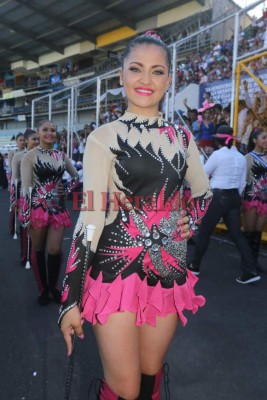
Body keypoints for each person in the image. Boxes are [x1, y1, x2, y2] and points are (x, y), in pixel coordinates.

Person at [59, 31, 212, 400]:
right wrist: (69, 299)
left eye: (157, 71)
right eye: (136, 69)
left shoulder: (182, 138)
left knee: (150, 375)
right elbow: (90, 217)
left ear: (169, 79)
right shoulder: (103, 137)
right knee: (124, 388)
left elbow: (205, 193)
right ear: (121, 77)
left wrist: (190, 217)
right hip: (115, 271)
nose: (146, 80)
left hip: (168, 268)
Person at [187, 125, 261, 285]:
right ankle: (251, 270)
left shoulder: (218, 155)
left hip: (218, 197)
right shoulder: (241, 156)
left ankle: (195, 265)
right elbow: (242, 183)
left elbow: (203, 174)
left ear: (218, 140)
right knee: (237, 235)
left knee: (205, 231)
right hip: (234, 197)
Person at [20, 120, 79, 306]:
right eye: (45, 130)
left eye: (53, 130)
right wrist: (25, 215)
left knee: (54, 249)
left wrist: (67, 189)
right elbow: (26, 188)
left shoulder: (61, 155)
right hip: (37, 209)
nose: (50, 133)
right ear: (38, 132)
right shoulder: (30, 156)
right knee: (38, 249)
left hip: (58, 209)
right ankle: (43, 289)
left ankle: (53, 287)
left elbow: (76, 177)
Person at [11, 129, 39, 266]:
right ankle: (25, 255)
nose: (37, 142)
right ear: (27, 141)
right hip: (24, 195)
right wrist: (14, 199)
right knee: (25, 226)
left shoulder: (42, 154)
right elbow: (14, 179)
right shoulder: (18, 156)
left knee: (39, 227)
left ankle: (35, 255)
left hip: (41, 196)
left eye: (38, 139)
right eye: (34, 139)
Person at [242, 128, 267, 271]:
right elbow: (243, 180)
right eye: (263, 137)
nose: (266, 140)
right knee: (249, 232)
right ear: (254, 140)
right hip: (251, 198)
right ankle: (247, 263)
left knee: (258, 232)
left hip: (264, 199)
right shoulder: (248, 157)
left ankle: (255, 262)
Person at [8, 133, 25, 235]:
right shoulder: (12, 153)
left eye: (23, 140)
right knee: (15, 206)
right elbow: (11, 169)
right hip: (17, 182)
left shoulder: (28, 153)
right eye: (20, 140)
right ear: (16, 142)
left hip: (26, 183)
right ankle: (12, 227)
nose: (22, 142)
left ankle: (23, 225)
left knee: (25, 205)